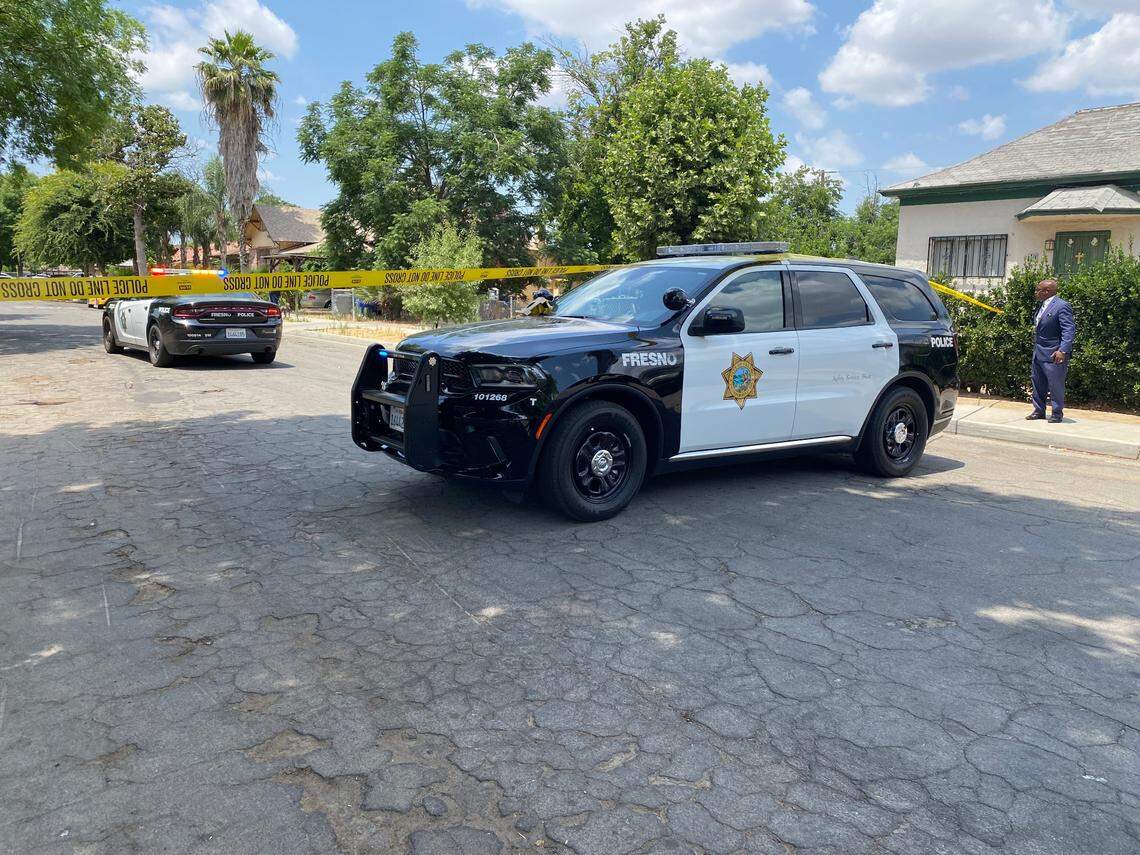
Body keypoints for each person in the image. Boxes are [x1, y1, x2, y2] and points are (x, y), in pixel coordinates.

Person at [1026, 278, 1076, 423]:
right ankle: (1039, 411)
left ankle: (1056, 413)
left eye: (1038, 290)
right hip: (1039, 351)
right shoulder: (1041, 305)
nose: (1035, 292)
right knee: (1038, 383)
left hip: (1054, 353)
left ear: (1047, 291)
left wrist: (1063, 350)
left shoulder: (1062, 306)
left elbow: (1068, 330)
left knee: (1055, 385)